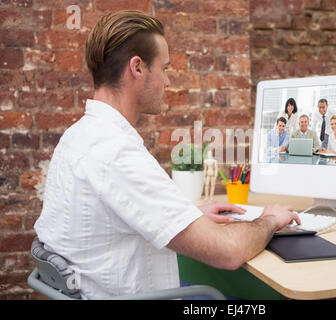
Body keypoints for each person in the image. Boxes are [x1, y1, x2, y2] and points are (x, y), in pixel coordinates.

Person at [33, 10, 300, 299]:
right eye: (165, 69)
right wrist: (270, 219)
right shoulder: (116, 152)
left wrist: (185, 216)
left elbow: (112, 216)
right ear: (138, 68)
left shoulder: (78, 137)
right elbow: (229, 252)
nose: (167, 82)